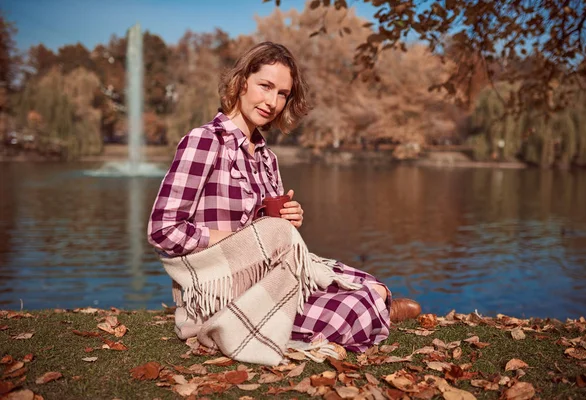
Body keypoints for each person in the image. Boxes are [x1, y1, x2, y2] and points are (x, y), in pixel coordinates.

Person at [147, 42, 421, 361]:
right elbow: (163, 230)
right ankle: (377, 312)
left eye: (282, 94)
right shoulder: (205, 142)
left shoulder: (267, 158)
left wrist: (287, 220)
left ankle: (377, 303)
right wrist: (239, 240)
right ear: (241, 82)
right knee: (355, 307)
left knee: (371, 283)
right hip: (222, 292)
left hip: (267, 276)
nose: (273, 102)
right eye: (266, 86)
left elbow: (266, 232)